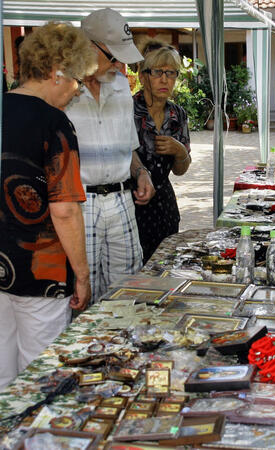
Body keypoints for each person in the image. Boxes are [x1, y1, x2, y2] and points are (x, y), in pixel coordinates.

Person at [0, 22, 97, 389]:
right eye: (76, 79)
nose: (77, 90)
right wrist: (82, 274)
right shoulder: (54, 123)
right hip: (42, 271)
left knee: (3, 373)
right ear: (57, 73)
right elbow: (65, 209)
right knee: (41, 377)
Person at [65, 8, 155, 302]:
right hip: (79, 205)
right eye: (114, 57)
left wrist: (141, 173)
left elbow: (128, 146)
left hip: (121, 202)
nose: (121, 67)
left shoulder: (119, 85)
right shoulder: (61, 90)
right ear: (89, 47)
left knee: (126, 293)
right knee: (80, 293)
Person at [132, 39, 191, 264]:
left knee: (166, 268)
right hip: (134, 204)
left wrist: (179, 151)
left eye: (172, 73)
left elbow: (181, 170)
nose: (165, 80)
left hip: (164, 207)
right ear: (143, 75)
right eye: (158, 72)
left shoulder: (178, 115)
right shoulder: (128, 111)